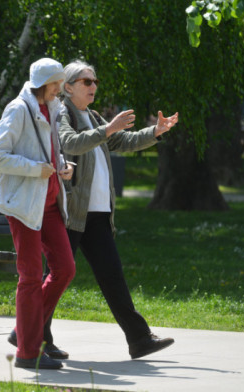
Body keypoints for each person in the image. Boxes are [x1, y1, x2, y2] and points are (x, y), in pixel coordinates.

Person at [46, 59, 179, 359]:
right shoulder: (62, 114)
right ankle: (32, 335)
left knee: (112, 276)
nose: (94, 86)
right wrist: (107, 129)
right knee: (55, 276)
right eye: (86, 81)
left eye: (95, 81)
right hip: (70, 213)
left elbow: (123, 140)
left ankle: (139, 339)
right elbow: (71, 144)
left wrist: (155, 132)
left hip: (97, 216)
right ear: (67, 87)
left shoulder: (92, 116)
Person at [0, 58, 76, 370]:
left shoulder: (52, 107)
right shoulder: (18, 109)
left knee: (65, 268)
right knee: (31, 276)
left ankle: (25, 329)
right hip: (24, 204)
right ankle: (27, 352)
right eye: (56, 83)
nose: (60, 89)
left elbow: (47, 148)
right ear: (42, 83)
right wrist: (35, 169)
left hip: (49, 201)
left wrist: (61, 165)